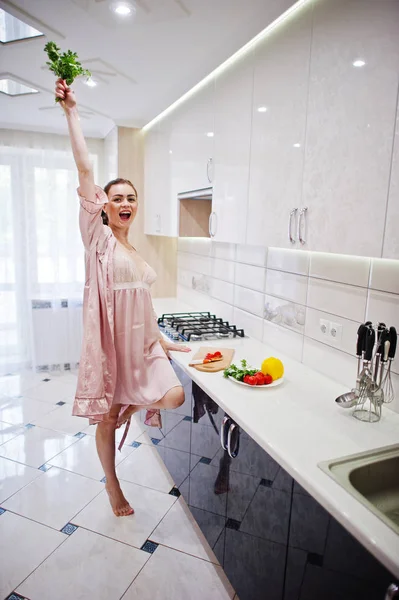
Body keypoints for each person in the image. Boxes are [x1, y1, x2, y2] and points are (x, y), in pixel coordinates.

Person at [55, 78, 190, 517]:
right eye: (117, 199)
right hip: (114, 351)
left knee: (174, 397)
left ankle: (133, 401)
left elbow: (143, 303)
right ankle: (113, 485)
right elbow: (84, 170)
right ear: (104, 207)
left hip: (145, 346)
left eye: (131, 197)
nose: (125, 203)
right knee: (108, 421)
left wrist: (162, 340)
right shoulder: (99, 240)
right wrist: (72, 111)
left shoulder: (133, 248)